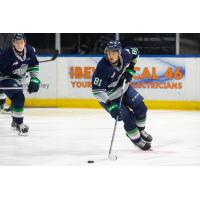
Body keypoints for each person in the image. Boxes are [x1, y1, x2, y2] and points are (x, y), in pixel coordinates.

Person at [92, 40, 153, 150]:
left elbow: (136, 52)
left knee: (141, 108)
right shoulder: (102, 68)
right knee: (128, 118)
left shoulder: (126, 54)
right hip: (109, 97)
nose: (111, 56)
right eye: (109, 52)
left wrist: (131, 69)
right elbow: (97, 91)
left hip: (124, 88)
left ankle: (140, 130)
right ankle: (137, 140)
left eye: (114, 53)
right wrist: (110, 105)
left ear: (119, 52)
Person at [0, 33, 40, 135]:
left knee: (15, 97)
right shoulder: (6, 55)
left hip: (19, 78)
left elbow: (34, 65)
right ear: (13, 43)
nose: (19, 45)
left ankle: (14, 120)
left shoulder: (30, 50)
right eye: (17, 43)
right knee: (18, 96)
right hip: (5, 78)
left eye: (21, 42)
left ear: (25, 43)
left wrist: (34, 79)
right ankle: (19, 123)